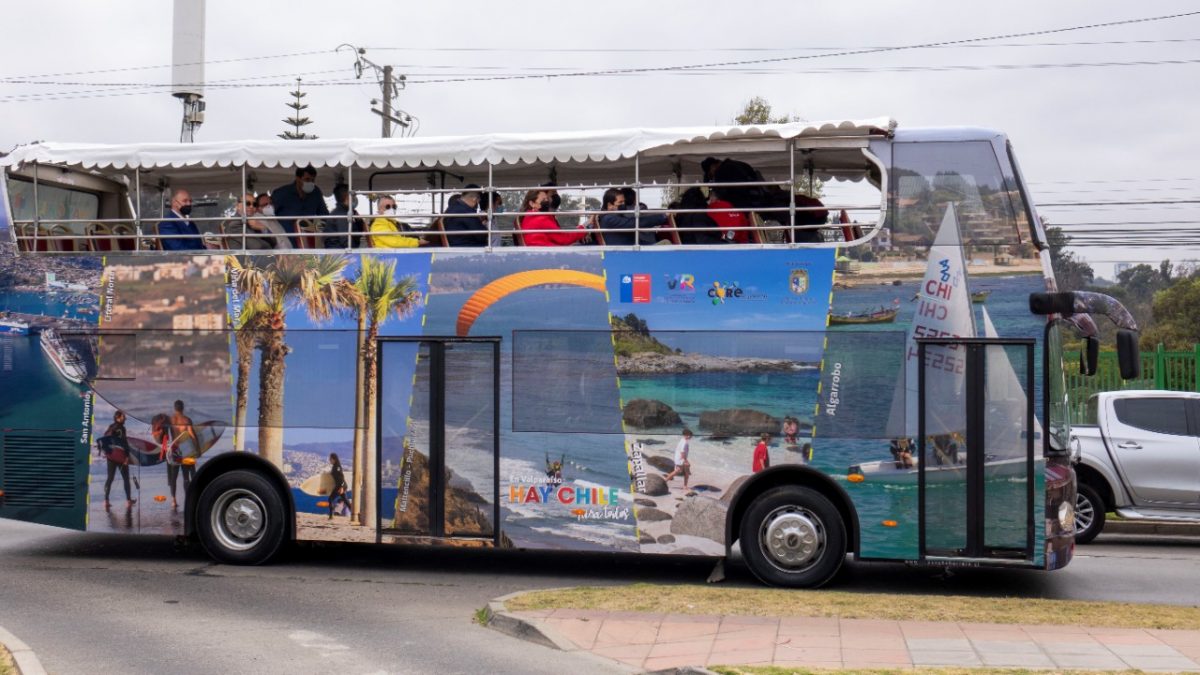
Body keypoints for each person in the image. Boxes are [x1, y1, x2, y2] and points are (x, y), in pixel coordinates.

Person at [270, 165, 329, 238]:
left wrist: (315, 228)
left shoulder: (316, 192)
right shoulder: (281, 193)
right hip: (287, 239)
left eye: (313, 180)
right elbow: (270, 215)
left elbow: (324, 216)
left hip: (309, 240)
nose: (310, 183)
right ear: (298, 178)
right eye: (307, 179)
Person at [598, 187, 667, 246]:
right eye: (620, 202)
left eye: (624, 202)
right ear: (610, 205)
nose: (624, 204)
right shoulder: (609, 218)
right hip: (626, 251)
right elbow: (634, 223)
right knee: (666, 243)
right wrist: (663, 216)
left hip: (632, 247)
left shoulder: (611, 216)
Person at [519, 190, 587, 246]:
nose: (547, 202)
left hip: (540, 253)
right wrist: (584, 228)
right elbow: (564, 239)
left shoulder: (528, 217)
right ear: (532, 203)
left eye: (546, 199)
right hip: (547, 255)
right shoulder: (540, 219)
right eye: (543, 199)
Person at [99, 410, 135, 510]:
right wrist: (127, 457)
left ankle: (106, 501)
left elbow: (105, 441)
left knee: (110, 478)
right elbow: (124, 444)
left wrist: (107, 453)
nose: (125, 418)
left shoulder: (110, 427)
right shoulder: (121, 428)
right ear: (118, 417)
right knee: (126, 478)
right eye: (123, 417)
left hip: (111, 457)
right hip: (120, 457)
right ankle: (128, 501)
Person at [167, 399, 199, 509]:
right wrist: (197, 449)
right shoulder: (186, 420)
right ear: (183, 408)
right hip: (186, 449)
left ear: (174, 408)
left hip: (175, 449)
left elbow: (165, 436)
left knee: (174, 477)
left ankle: (173, 501)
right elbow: (192, 435)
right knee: (187, 477)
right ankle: (188, 499)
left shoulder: (170, 420)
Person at [326, 183, 365, 249]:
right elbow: (346, 242)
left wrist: (359, 221)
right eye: (353, 195)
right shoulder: (341, 215)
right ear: (348, 196)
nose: (355, 198)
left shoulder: (347, 212)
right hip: (339, 254)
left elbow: (357, 232)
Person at [327, 453, 351, 519]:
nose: (329, 460)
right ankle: (356, 514)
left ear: (334, 459)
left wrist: (342, 487)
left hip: (340, 486)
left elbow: (341, 478)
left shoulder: (337, 467)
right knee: (345, 500)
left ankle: (331, 516)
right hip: (340, 486)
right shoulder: (335, 466)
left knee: (330, 499)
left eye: (330, 459)